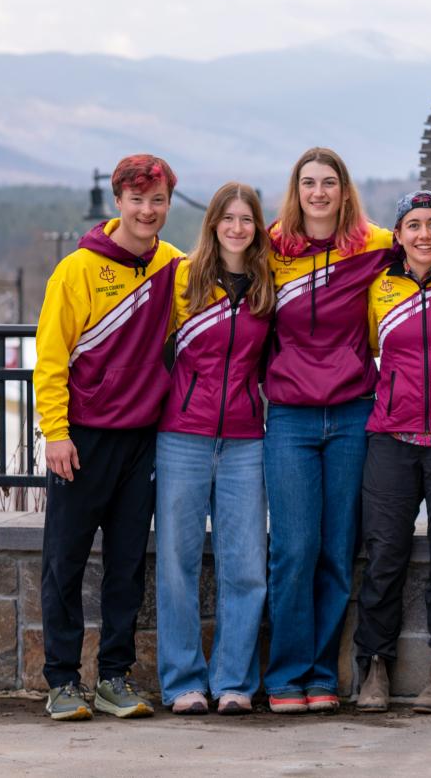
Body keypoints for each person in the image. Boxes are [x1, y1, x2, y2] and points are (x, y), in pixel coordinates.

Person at [34, 154, 184, 720]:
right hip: (82, 439)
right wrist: (56, 431)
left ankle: (115, 678)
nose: (148, 210)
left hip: (143, 438)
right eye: (137, 200)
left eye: (158, 200)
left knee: (126, 566)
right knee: (65, 563)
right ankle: (62, 680)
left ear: (169, 203)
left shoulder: (175, 266)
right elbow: (49, 359)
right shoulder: (75, 270)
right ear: (118, 202)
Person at [262, 147, 395, 714]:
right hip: (289, 416)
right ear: (296, 190)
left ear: (345, 191)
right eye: (308, 183)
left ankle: (321, 673)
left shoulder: (375, 245)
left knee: (339, 551)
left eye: (329, 183)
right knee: (295, 547)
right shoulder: (270, 249)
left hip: (351, 412)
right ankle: (286, 673)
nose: (319, 192)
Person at [155, 182, 275, 716]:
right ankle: (183, 681)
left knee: (245, 563)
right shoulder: (182, 280)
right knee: (177, 562)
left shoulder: (268, 287)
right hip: (182, 435)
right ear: (212, 223)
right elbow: (150, 350)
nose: (236, 227)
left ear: (257, 226)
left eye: (246, 218)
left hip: (246, 440)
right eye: (227, 218)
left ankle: (233, 681)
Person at [353, 190, 431, 715]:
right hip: (390, 437)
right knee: (383, 557)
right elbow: (365, 349)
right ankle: (374, 666)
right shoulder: (376, 287)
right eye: (413, 225)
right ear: (398, 235)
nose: (424, 234)